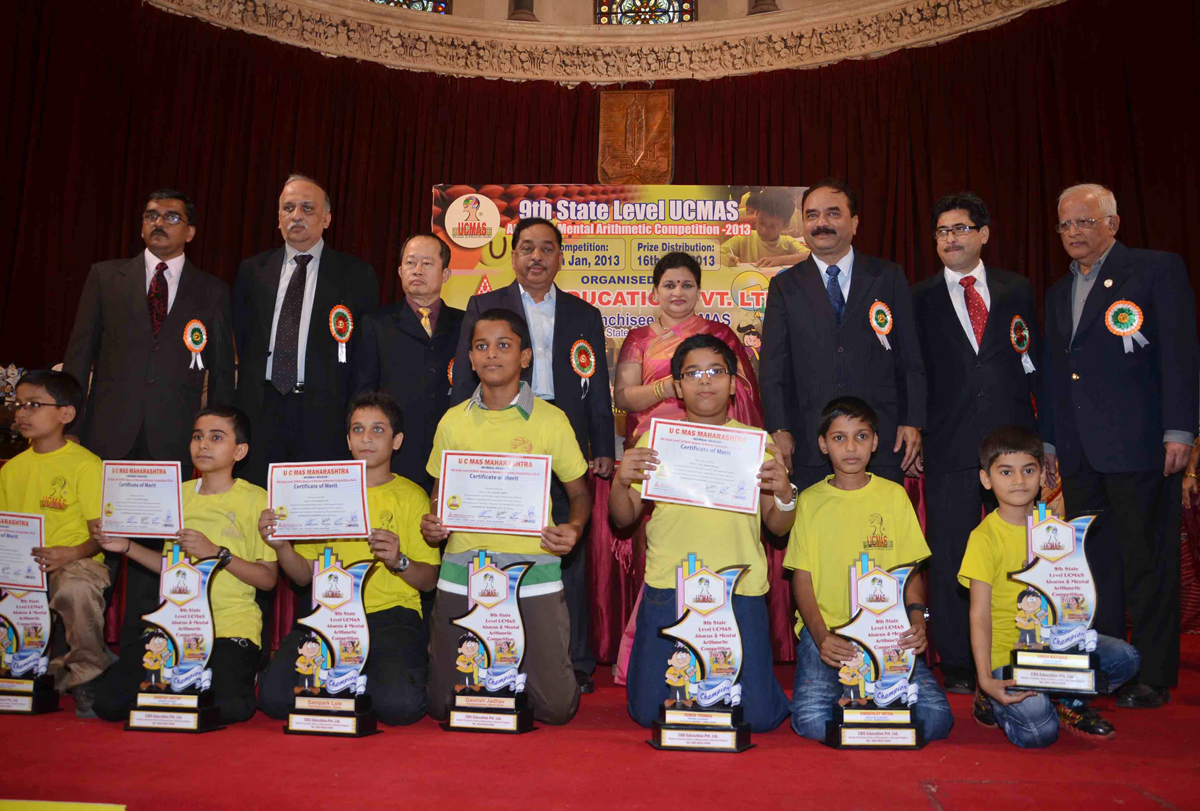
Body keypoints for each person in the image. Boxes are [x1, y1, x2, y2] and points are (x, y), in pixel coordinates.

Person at [1041, 183, 1199, 708]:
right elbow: (1058, 372)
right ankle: (1109, 665)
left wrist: (1180, 430)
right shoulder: (1058, 291)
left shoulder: (1155, 270)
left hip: (1141, 447)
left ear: (1113, 222)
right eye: (1065, 225)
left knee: (1148, 563)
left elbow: (1180, 354)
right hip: (1080, 452)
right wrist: (1049, 441)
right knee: (1094, 566)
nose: (1073, 233)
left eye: (1084, 221)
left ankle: (1153, 675)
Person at [63, 189, 236, 661]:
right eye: (151, 216)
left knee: (150, 555)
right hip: (105, 437)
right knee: (95, 549)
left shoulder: (212, 290)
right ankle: (79, 659)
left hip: (173, 442)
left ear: (191, 231)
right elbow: (80, 354)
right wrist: (70, 427)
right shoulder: (105, 277)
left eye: (172, 217)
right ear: (142, 226)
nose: (160, 223)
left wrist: (217, 440)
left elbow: (221, 373)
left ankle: (145, 657)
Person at [451, 218, 614, 692]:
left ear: (560, 256)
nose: (536, 257)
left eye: (546, 248)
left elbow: (598, 388)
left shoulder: (584, 314)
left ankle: (575, 661)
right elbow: (465, 379)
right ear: (513, 255)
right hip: (498, 438)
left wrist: (601, 445)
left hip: (559, 436)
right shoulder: (484, 305)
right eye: (526, 248)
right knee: (496, 546)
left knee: (566, 548)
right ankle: (495, 646)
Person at [610, 334, 793, 732]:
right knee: (649, 712)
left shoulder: (757, 445)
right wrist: (620, 484)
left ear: (733, 383)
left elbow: (778, 528)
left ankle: (757, 689)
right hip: (669, 587)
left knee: (758, 718)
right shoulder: (656, 441)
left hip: (739, 589)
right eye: (692, 373)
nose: (705, 381)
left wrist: (784, 495)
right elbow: (623, 519)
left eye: (716, 371)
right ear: (677, 386)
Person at [424, 309, 591, 724]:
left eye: (504, 345)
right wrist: (433, 521)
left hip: (532, 571)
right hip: (464, 568)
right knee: (443, 707)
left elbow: (579, 493)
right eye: (482, 346)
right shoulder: (452, 421)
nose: (492, 355)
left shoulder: (551, 420)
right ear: (470, 358)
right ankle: (500, 674)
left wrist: (574, 527)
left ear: (526, 356)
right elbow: (437, 492)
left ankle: (507, 672)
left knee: (555, 709)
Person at [608, 251, 765, 681]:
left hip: (714, 456)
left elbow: (746, 394)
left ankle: (719, 653)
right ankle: (652, 659)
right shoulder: (639, 338)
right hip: (660, 458)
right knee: (659, 555)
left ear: (700, 290)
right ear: (654, 290)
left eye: (687, 285)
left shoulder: (718, 337)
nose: (678, 293)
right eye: (669, 285)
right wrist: (671, 385)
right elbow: (625, 398)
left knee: (714, 547)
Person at [911, 192, 1041, 694]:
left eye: (961, 228)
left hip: (1012, 445)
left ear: (984, 234)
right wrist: (916, 429)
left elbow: (1032, 360)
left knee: (1024, 549)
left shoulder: (1016, 289)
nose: (951, 238)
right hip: (949, 440)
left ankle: (1025, 644)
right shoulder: (919, 296)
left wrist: (1042, 443)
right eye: (943, 231)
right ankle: (962, 663)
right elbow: (913, 371)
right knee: (950, 552)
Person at [257, 392, 440, 725]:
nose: (366, 438)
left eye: (378, 430)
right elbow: (302, 577)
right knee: (273, 698)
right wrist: (281, 547)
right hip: (331, 615)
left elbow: (429, 582)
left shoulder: (412, 495)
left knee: (400, 707)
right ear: (348, 439)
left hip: (391, 616)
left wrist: (399, 561)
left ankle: (353, 678)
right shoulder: (323, 491)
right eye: (357, 429)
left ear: (396, 441)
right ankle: (352, 678)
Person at [90, 405, 279, 725]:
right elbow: (171, 569)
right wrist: (126, 547)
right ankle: (184, 685)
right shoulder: (175, 495)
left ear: (240, 450)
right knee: (108, 703)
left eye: (216, 437)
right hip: (175, 625)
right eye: (197, 436)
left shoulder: (257, 499)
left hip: (230, 628)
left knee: (230, 707)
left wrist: (217, 553)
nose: (203, 444)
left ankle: (225, 676)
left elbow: (267, 580)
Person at [785, 397, 952, 743]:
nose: (850, 448)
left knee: (936, 722)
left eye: (861, 437)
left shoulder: (893, 496)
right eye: (839, 438)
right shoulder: (810, 501)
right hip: (830, 635)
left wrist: (917, 618)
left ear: (875, 442)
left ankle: (870, 705)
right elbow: (802, 579)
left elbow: (911, 573)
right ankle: (874, 707)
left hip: (888, 633)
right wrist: (820, 637)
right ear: (822, 444)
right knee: (812, 722)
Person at [959, 426, 1139, 744]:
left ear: (1042, 476)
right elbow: (979, 614)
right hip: (1009, 657)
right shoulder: (984, 538)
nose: (1018, 481)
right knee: (1038, 733)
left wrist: (1067, 636)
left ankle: (1068, 700)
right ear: (987, 479)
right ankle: (991, 698)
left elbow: (1073, 598)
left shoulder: (1057, 531)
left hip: (1053, 648)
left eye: (1028, 470)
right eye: (1006, 472)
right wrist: (986, 678)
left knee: (1126, 658)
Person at [760, 180, 925, 491]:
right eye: (811, 215)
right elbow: (773, 368)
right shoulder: (785, 286)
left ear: (855, 223)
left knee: (879, 536)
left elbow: (910, 358)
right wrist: (779, 428)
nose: (821, 223)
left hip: (881, 439)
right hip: (809, 443)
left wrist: (912, 420)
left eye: (833, 213)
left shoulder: (888, 277)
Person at [232, 174, 379, 487]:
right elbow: (243, 340)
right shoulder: (251, 271)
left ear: (326, 219)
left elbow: (365, 355)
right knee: (258, 504)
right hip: (261, 410)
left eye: (306, 209)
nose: (295, 215)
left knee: (315, 509)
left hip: (324, 413)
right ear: (278, 218)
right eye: (288, 208)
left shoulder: (356, 275)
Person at [0, 370, 109, 716]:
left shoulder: (86, 466)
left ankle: (88, 676)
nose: (22, 413)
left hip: (76, 561)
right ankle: (20, 672)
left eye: (34, 404)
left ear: (66, 414)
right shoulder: (10, 470)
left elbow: (100, 536)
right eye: (19, 405)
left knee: (75, 590)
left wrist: (70, 553)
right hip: (20, 565)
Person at [351, 233, 464, 492]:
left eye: (427, 263)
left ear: (445, 274)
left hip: (450, 451)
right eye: (411, 263)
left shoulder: (465, 323)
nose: (417, 270)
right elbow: (364, 392)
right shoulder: (375, 322)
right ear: (400, 271)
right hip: (396, 454)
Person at [721, 187, 809, 267]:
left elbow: (810, 256)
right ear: (756, 215)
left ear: (786, 225)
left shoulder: (787, 243)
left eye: (773, 226)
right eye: (761, 222)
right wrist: (725, 259)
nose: (764, 230)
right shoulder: (744, 239)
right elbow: (714, 253)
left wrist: (780, 260)